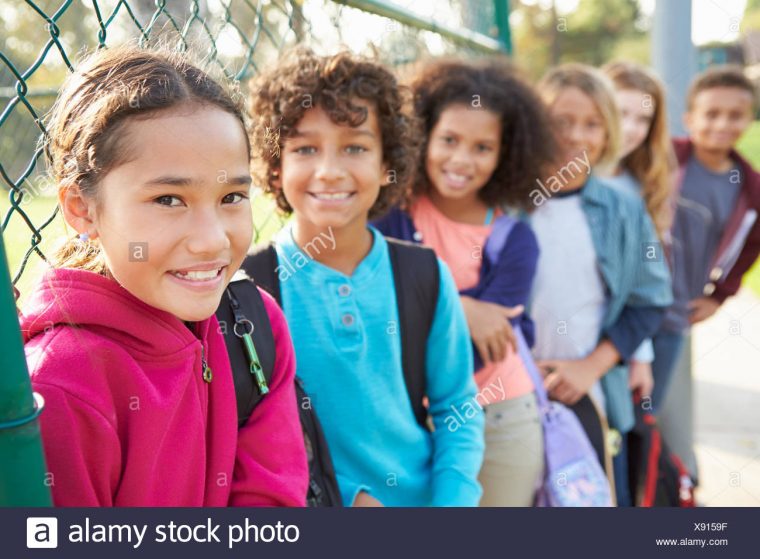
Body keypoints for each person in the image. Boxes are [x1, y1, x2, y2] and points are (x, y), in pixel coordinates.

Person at [20, 46, 308, 506]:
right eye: (169, 200)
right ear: (82, 208)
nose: (212, 241)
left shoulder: (253, 324)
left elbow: (272, 500)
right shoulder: (60, 387)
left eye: (232, 196)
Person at [245, 48, 484, 507]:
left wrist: (451, 504)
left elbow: (457, 408)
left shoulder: (424, 275)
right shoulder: (249, 290)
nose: (330, 171)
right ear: (276, 165)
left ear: (385, 162)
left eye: (355, 147)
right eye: (305, 148)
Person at [374, 58, 556, 506]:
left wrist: (430, 307)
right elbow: (375, 304)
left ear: (505, 155)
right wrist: (465, 308)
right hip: (400, 418)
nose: (461, 160)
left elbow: (480, 345)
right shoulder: (390, 214)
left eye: (481, 147)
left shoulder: (514, 240)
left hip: (499, 415)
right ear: (421, 137)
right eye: (449, 140)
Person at [532, 64, 672, 497]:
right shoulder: (505, 204)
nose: (577, 136)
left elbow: (650, 299)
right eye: (562, 122)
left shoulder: (624, 210)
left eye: (592, 124)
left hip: (591, 397)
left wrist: (591, 366)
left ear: (608, 134)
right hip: (512, 395)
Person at [657, 65, 760, 482]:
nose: (722, 124)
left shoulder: (749, 187)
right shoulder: (662, 158)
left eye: (735, 115)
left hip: (676, 314)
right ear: (689, 118)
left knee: (667, 411)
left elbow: (752, 244)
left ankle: (678, 490)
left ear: (750, 119)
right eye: (711, 113)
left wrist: (720, 294)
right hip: (626, 305)